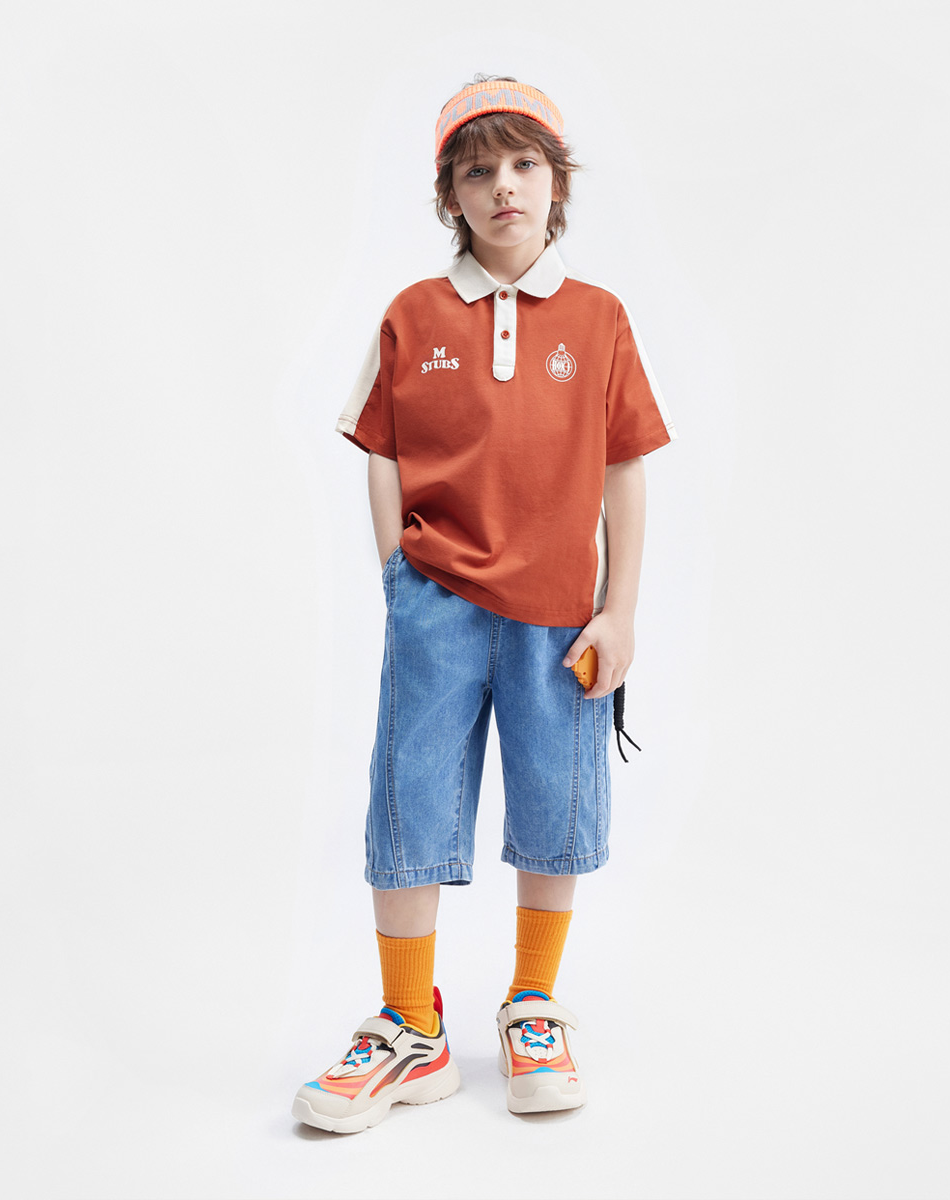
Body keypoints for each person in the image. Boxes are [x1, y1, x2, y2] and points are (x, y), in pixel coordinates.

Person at [291, 74, 676, 1134]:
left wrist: (620, 611)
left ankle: (533, 1005)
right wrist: (399, 576)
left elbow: (626, 467)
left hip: (559, 612)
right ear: (449, 196)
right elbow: (380, 447)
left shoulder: (599, 319)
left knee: (556, 800)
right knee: (410, 798)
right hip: (437, 604)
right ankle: (409, 1027)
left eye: (522, 164)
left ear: (556, 183)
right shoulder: (412, 314)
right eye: (476, 171)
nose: (502, 186)